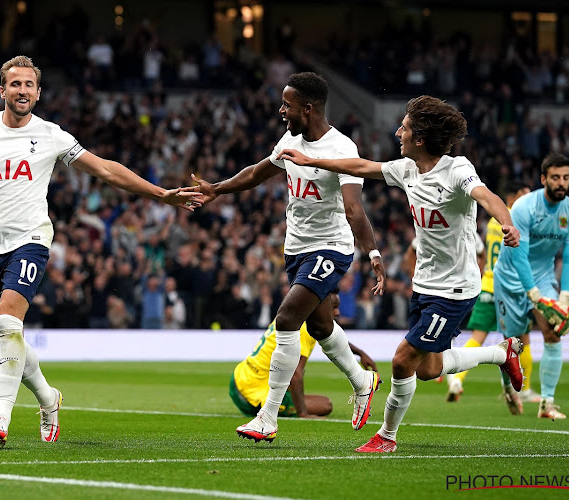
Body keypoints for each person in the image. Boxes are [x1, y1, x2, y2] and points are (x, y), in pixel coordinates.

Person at [0, 55, 202, 446]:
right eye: (15, 84)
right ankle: (48, 397)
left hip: (31, 240)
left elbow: (106, 169)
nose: (22, 90)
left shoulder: (51, 135)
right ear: (2, 89)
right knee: (9, 335)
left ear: (38, 93)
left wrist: (162, 194)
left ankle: (0, 416)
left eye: (29, 85)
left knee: (7, 322)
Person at [278, 95, 523, 453]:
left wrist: (507, 223)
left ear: (420, 139)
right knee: (428, 368)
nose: (398, 133)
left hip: (456, 288)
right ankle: (502, 354)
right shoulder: (407, 170)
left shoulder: (456, 170)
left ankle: (387, 437)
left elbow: (487, 197)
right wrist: (310, 159)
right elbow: (361, 167)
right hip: (424, 284)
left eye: (404, 128)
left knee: (402, 359)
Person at [189, 72, 387, 443]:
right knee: (320, 328)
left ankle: (267, 418)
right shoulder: (290, 140)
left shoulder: (341, 148)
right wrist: (216, 188)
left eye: (287, 105)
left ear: (307, 109)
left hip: (331, 248)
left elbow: (353, 210)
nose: (282, 110)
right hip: (296, 248)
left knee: (286, 319)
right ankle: (363, 382)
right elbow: (257, 173)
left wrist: (372, 251)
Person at [493, 152, 569, 420]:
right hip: (510, 278)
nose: (561, 183)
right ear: (543, 179)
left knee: (553, 333)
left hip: (543, 277)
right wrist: (532, 294)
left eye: (565, 178)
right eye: (555, 177)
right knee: (514, 344)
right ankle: (509, 388)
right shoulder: (523, 207)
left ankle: (547, 403)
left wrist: (565, 295)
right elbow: (520, 254)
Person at [446, 182, 536, 411]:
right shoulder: (517, 224)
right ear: (513, 198)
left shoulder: (493, 223)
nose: (528, 202)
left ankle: (457, 379)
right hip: (510, 287)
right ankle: (523, 391)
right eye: (524, 197)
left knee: (477, 336)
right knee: (522, 339)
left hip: (487, 284)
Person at [230, 290, 377, 419]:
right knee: (325, 405)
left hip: (238, 379)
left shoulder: (296, 315)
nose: (337, 313)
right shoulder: (304, 329)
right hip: (250, 393)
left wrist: (360, 353)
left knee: (288, 383)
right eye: (333, 308)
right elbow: (296, 375)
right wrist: (303, 413)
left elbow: (332, 338)